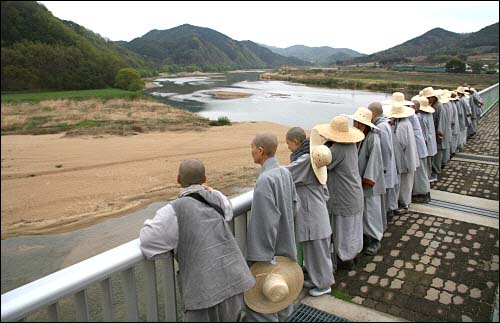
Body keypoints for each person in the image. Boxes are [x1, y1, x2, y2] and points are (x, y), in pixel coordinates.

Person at [139, 159, 255, 322]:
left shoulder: (173, 210)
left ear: (178, 179)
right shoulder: (216, 198)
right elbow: (228, 210)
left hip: (202, 291)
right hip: (234, 281)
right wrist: (212, 191)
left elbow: (147, 241)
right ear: (205, 179)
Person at [246, 132, 300, 322]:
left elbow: (265, 223)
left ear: (260, 151)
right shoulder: (285, 172)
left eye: (252, 148)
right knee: (283, 295)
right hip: (287, 245)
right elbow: (295, 205)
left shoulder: (264, 181)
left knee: (263, 300)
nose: (251, 151)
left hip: (270, 253)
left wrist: (261, 258)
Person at [285, 127, 335, 297]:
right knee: (313, 250)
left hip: (312, 212)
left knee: (318, 251)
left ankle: (324, 284)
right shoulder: (313, 158)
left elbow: (287, 174)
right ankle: (316, 279)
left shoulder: (306, 160)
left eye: (289, 144)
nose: (289, 148)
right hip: (314, 210)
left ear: (296, 142)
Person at [314, 116, 365, 271]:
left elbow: (321, 162)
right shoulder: (350, 146)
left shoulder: (337, 149)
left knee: (343, 230)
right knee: (353, 229)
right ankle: (353, 256)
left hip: (344, 196)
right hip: (354, 193)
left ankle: (345, 260)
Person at [346, 108, 385, 256]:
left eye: (358, 123)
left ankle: (375, 239)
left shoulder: (373, 138)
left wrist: (368, 180)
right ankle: (366, 237)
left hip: (370, 182)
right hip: (360, 181)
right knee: (364, 213)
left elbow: (375, 161)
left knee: (372, 212)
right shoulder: (360, 136)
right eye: (355, 122)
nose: (356, 125)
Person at [385, 92, 419, 214]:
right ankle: (405, 203)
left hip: (405, 158)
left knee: (404, 183)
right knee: (407, 182)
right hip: (410, 157)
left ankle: (404, 205)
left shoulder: (401, 126)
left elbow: (400, 144)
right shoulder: (405, 123)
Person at [368, 102, 399, 221]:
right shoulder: (384, 124)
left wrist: (384, 167)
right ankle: (389, 210)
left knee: (386, 191)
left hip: (385, 165)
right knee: (387, 190)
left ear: (374, 113)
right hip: (387, 164)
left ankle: (388, 212)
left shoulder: (381, 127)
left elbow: (386, 148)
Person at [409, 96, 431, 203]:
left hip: (419, 149)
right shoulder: (418, 116)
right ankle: (424, 192)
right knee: (422, 173)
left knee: (420, 174)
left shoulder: (415, 117)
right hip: (420, 148)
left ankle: (422, 194)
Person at [422, 87, 445, 181]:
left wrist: (439, 134)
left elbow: (440, 122)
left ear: (432, 97)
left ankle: (435, 173)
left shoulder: (438, 106)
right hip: (434, 133)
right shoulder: (434, 105)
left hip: (436, 134)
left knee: (436, 155)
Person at [415, 96, 437, 183]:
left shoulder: (421, 117)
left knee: (426, 163)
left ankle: (426, 178)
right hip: (431, 141)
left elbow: (423, 132)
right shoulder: (429, 115)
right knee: (429, 162)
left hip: (427, 143)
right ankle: (428, 175)